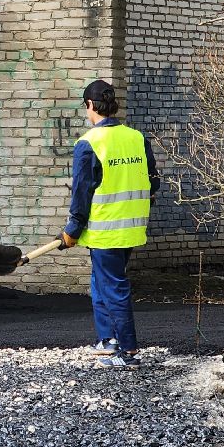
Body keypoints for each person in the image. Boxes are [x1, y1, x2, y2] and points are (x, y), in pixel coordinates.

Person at [59, 79, 160, 368]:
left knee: (113, 286)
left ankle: (127, 351)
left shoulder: (89, 143)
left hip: (105, 229)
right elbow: (153, 181)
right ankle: (107, 339)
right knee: (100, 281)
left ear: (90, 105)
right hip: (132, 226)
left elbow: (81, 193)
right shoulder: (136, 138)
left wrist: (72, 230)